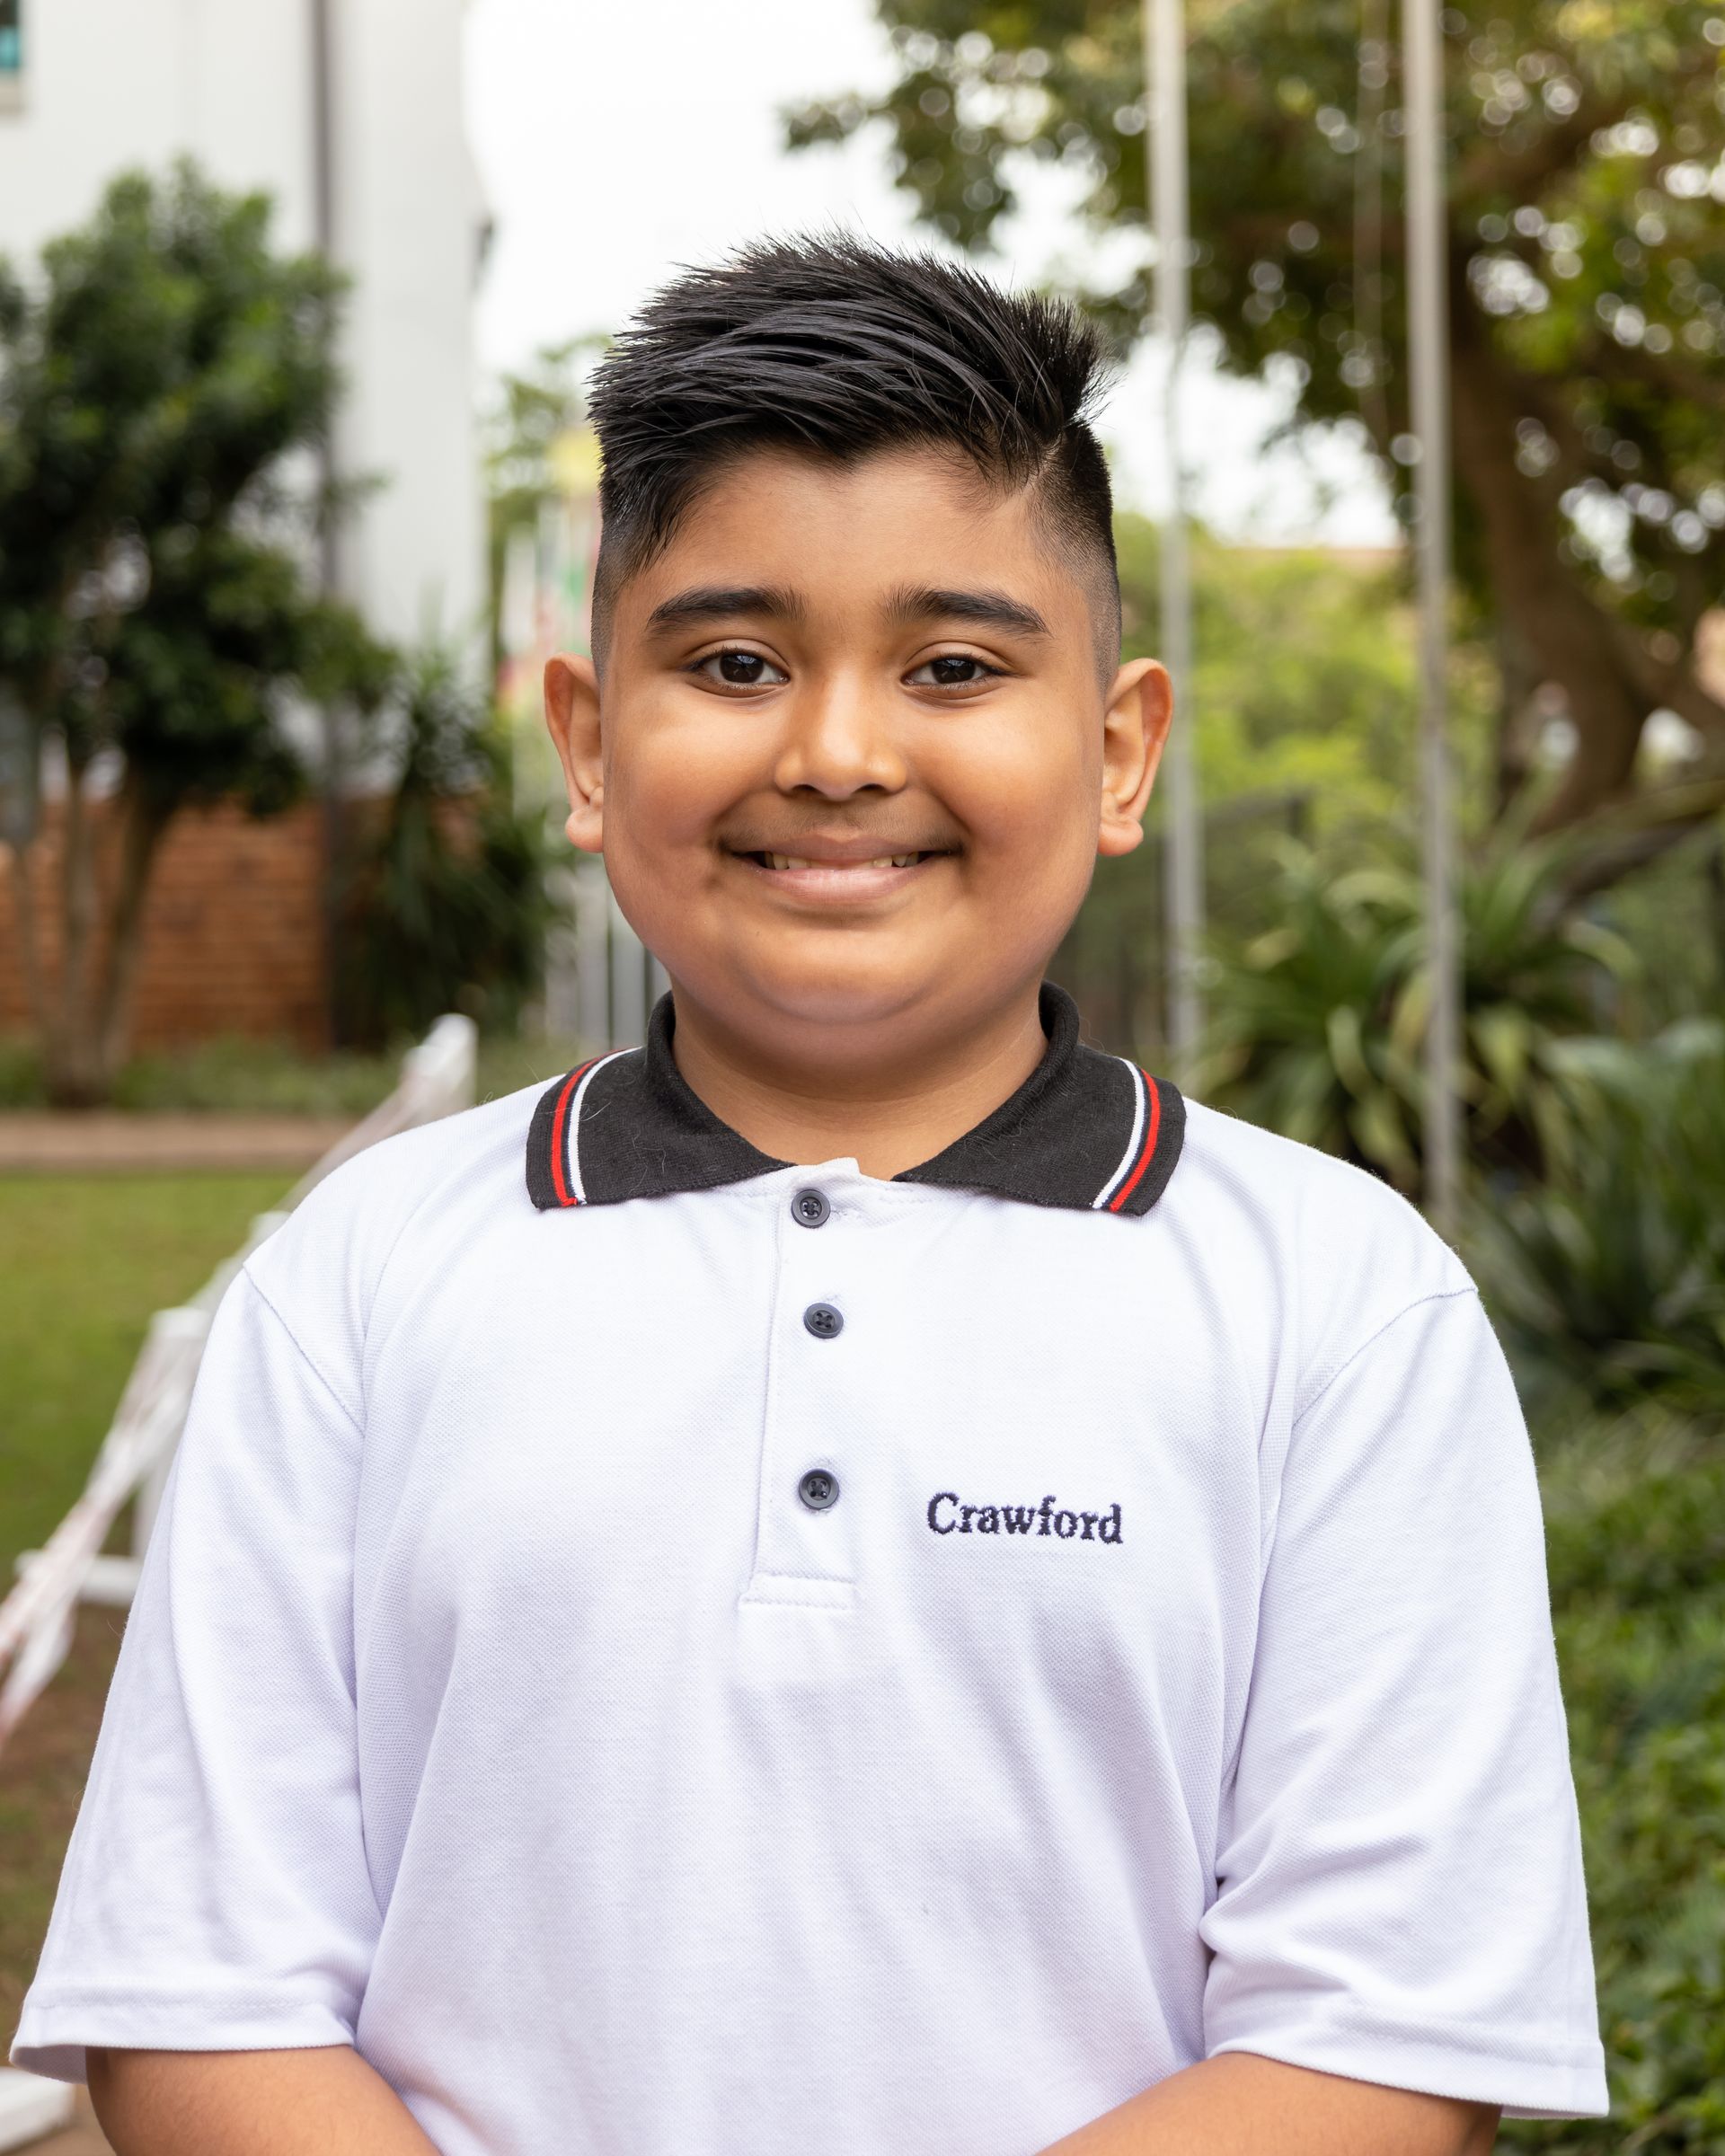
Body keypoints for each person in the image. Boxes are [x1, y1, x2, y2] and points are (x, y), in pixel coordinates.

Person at [12, 238, 1607, 2155]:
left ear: (1117, 752)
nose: (839, 754)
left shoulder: (1339, 1305)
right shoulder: (360, 1279)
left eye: (952, 666)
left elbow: (1386, 2037)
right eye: (737, 662)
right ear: (591, 747)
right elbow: (199, 2005)